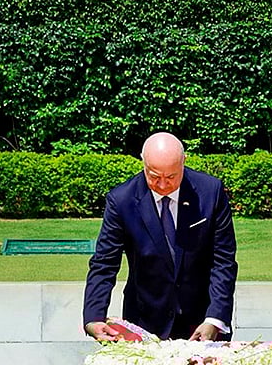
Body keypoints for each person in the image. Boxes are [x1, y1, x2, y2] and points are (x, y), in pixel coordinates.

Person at [83, 132, 238, 342]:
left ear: (184, 162)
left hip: (202, 321)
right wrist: (93, 317)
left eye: (172, 176)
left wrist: (215, 318)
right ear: (143, 163)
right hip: (145, 322)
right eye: (154, 176)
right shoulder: (121, 201)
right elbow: (104, 263)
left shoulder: (211, 192)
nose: (163, 185)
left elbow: (223, 262)